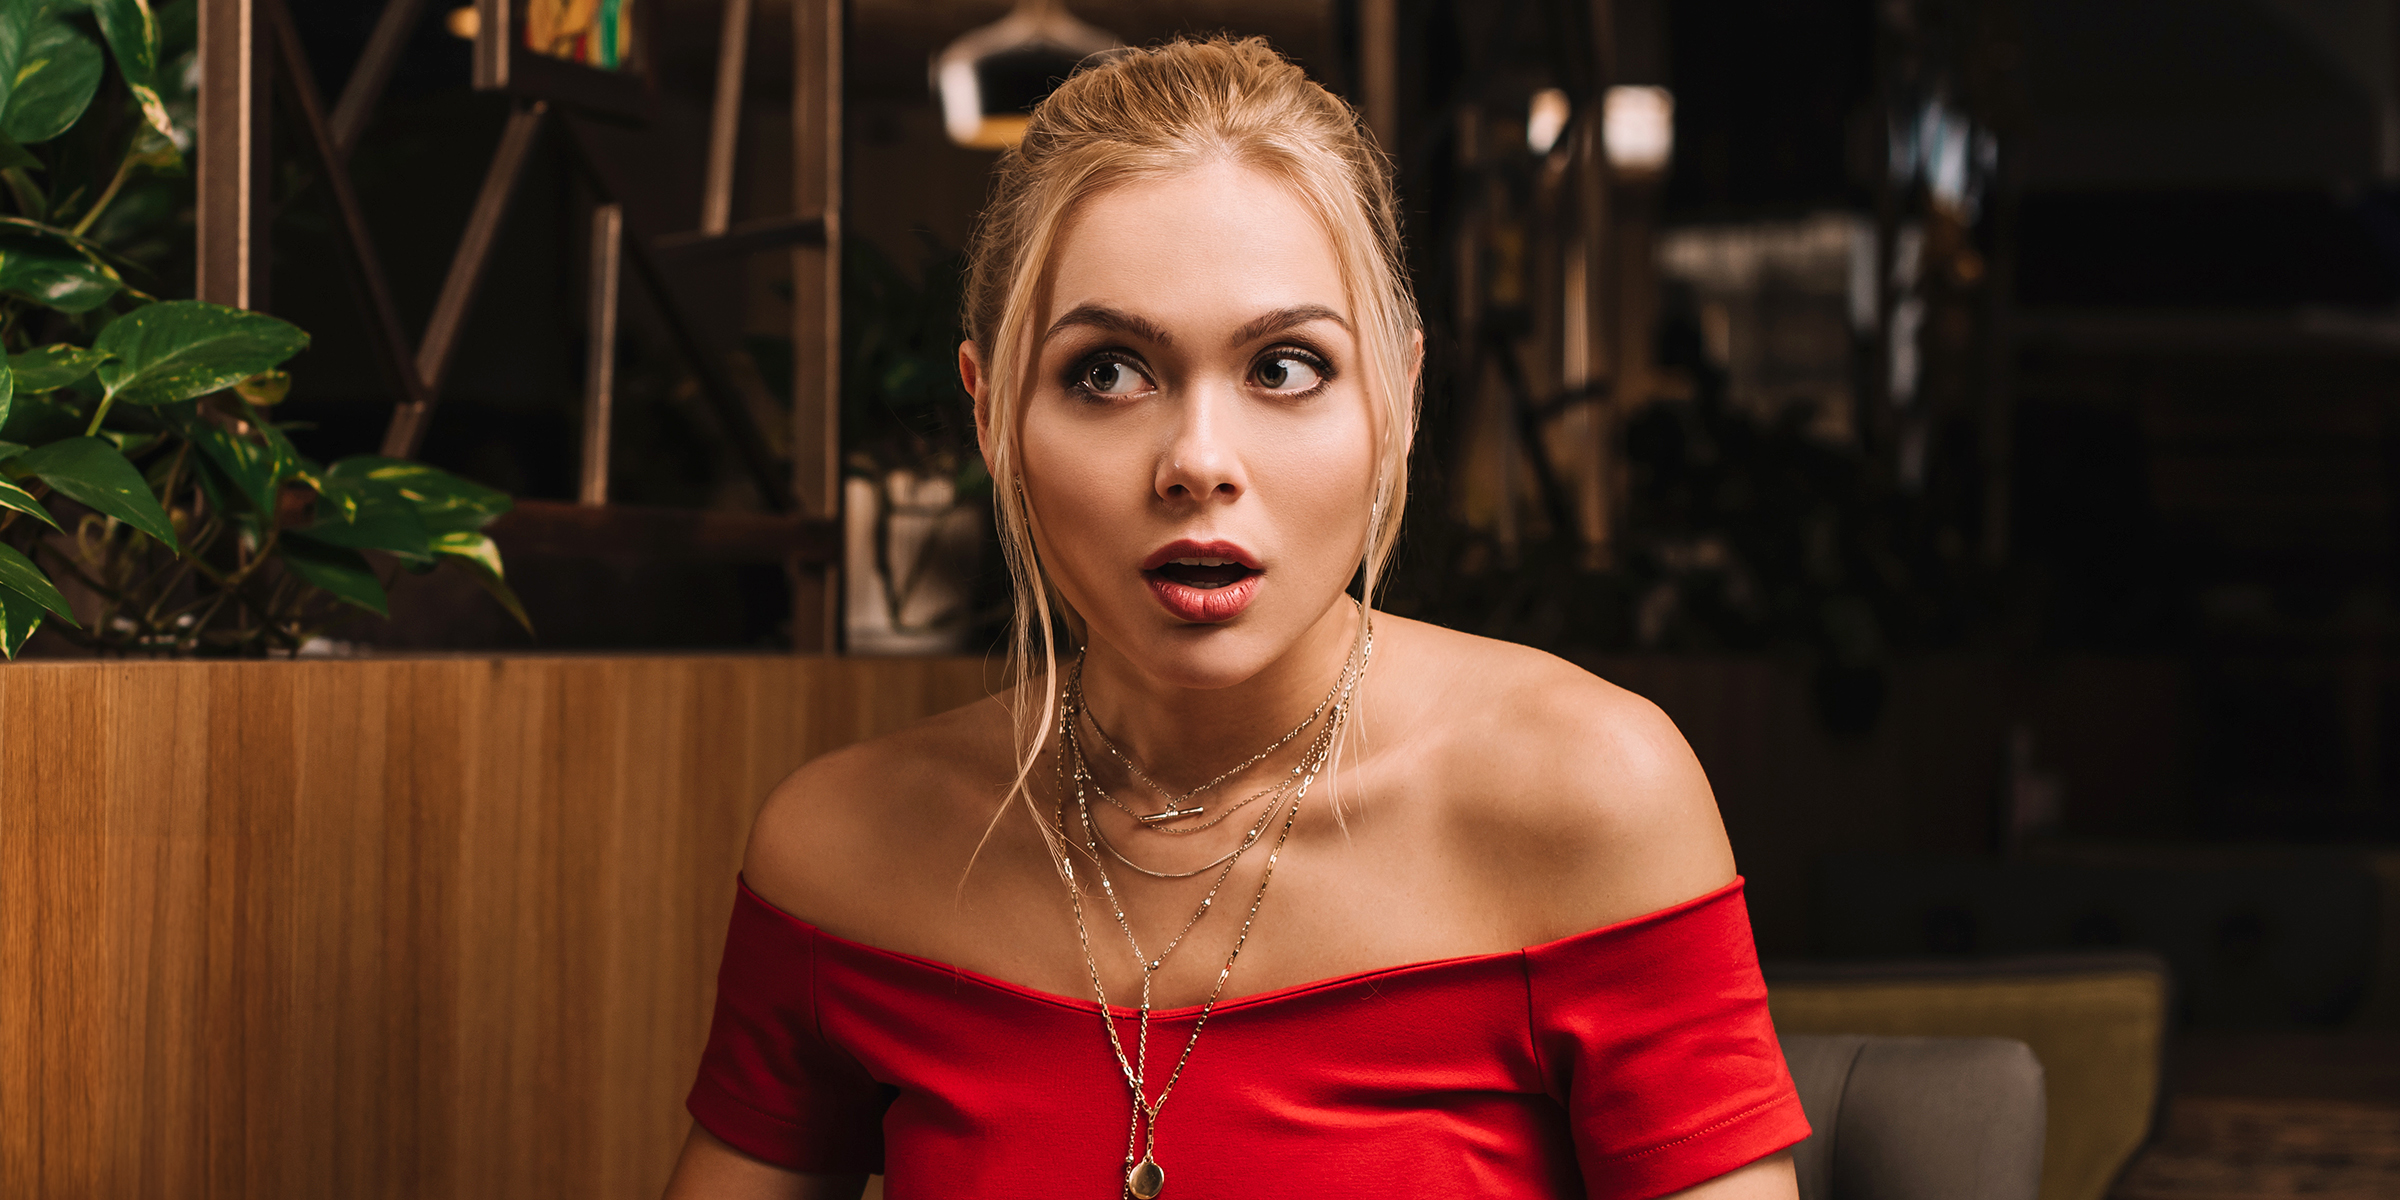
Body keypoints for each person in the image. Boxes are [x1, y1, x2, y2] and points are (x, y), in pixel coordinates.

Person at [662, 37, 1805, 1200]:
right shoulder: (841, 855)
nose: (1198, 463)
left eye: (1285, 367)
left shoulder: (1590, 793)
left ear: (1400, 400)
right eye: (1106, 372)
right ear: (991, 412)